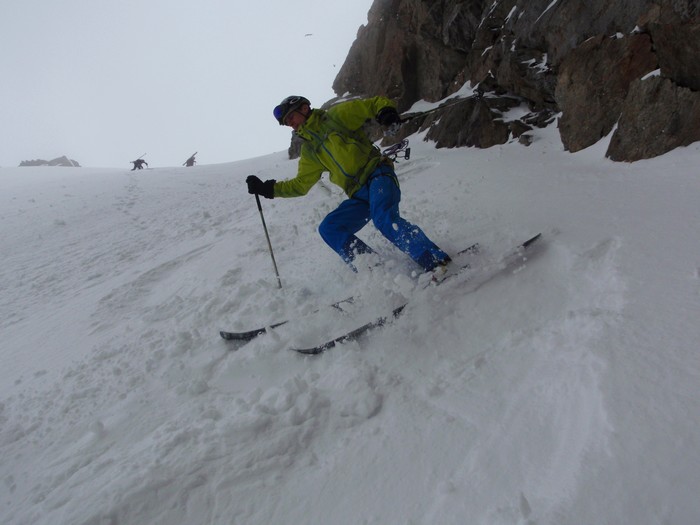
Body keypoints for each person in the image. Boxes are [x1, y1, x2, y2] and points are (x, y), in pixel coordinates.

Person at [246, 95, 451, 274]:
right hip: (358, 195)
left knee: (384, 219)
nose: (290, 124)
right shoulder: (310, 150)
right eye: (285, 122)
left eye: (290, 117)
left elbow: (372, 104)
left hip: (377, 174)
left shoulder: (335, 117)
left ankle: (435, 261)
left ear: (304, 108)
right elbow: (300, 185)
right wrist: (268, 189)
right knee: (329, 228)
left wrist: (385, 111)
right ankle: (376, 272)